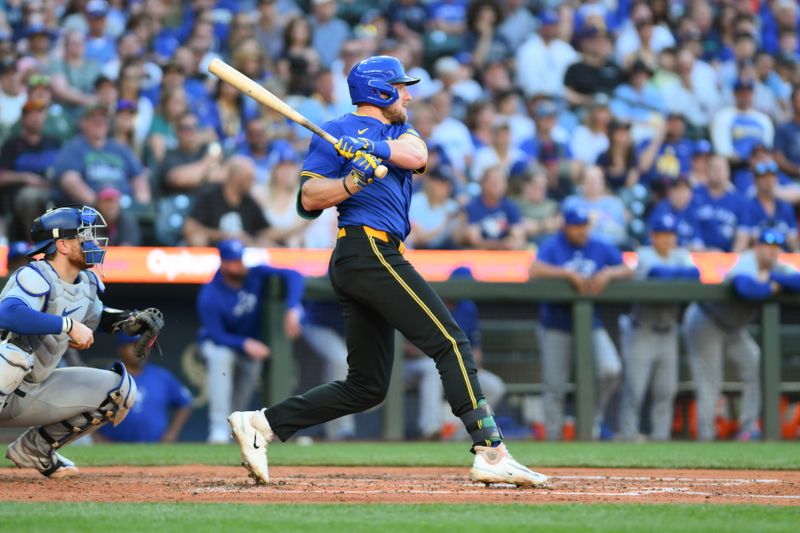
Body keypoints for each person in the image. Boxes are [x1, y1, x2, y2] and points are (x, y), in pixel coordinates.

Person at [225, 55, 547, 487]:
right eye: (400, 87)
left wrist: (371, 150)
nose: (408, 95)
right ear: (379, 91)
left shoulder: (400, 131)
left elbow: (416, 156)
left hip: (376, 253)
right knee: (450, 341)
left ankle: (262, 424)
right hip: (363, 249)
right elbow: (308, 199)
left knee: (367, 386)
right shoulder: (335, 131)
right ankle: (490, 450)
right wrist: (350, 182)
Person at [0, 206, 141, 477]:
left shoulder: (86, 283)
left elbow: (98, 320)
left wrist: (130, 321)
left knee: (120, 390)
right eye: (85, 236)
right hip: (4, 373)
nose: (94, 243)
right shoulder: (34, 274)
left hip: (31, 389)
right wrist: (66, 325)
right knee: (13, 357)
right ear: (62, 245)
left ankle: (35, 449)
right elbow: (8, 313)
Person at [682, 228, 800, 441]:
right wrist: (771, 285)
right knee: (710, 381)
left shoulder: (776, 268)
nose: (772, 252)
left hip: (734, 328)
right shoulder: (746, 261)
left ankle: (748, 429)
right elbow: (745, 289)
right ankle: (705, 438)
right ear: (757, 247)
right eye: (767, 247)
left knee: (755, 364)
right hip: (707, 320)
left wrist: (772, 278)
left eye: (776, 248)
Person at [529, 204, 632, 440]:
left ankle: (591, 420)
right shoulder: (554, 245)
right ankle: (553, 439)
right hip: (556, 323)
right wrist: (566, 274)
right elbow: (533, 270)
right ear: (566, 226)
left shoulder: (598, 245)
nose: (581, 230)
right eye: (576, 226)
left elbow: (628, 268)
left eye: (584, 225)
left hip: (589, 324)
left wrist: (608, 274)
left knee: (611, 369)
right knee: (555, 386)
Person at [197, 239, 304, 444]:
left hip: (247, 346)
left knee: (252, 367)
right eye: (233, 262)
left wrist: (292, 308)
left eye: (240, 259)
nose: (239, 265)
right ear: (224, 264)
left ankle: (234, 425)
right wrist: (246, 343)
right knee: (222, 356)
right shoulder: (210, 293)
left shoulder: (254, 274)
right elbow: (217, 335)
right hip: (217, 343)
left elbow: (294, 275)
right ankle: (218, 429)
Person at [618, 213, 699, 441]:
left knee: (666, 390)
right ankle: (628, 438)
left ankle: (660, 439)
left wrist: (678, 275)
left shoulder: (681, 255)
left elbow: (695, 274)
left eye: (671, 235)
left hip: (668, 331)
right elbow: (657, 273)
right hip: (642, 329)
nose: (667, 240)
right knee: (635, 390)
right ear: (653, 236)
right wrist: (678, 276)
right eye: (662, 235)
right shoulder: (644, 254)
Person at [95, 332, 192, 443]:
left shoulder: (161, 376)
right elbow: (84, 410)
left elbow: (185, 403)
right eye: (133, 345)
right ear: (121, 348)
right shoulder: (106, 377)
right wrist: (96, 438)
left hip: (154, 447)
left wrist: (171, 435)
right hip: (114, 447)